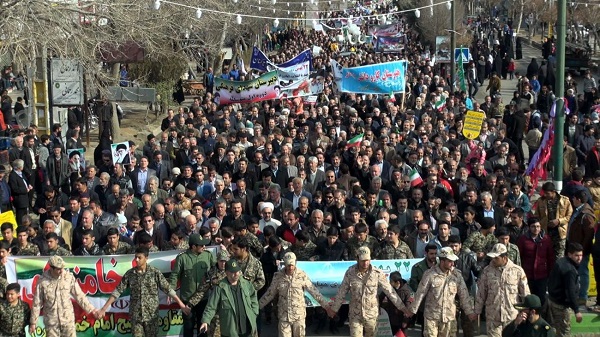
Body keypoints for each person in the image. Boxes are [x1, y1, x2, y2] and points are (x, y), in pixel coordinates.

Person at [97, 247, 190, 337]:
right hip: (136, 315)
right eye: (135, 257)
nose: (136, 260)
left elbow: (168, 289)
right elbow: (117, 291)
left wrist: (181, 304)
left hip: (151, 315)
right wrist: (104, 309)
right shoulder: (130, 274)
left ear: (146, 258)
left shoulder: (154, 272)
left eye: (139, 257)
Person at [328, 247, 409, 337]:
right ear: (357, 259)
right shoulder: (350, 272)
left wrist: (403, 308)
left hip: (371, 315)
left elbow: (390, 291)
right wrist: (334, 309)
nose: (365, 263)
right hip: (355, 315)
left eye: (367, 260)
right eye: (363, 260)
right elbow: (341, 292)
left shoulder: (377, 273)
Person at [259, 252, 334, 337]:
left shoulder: (302, 275)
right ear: (284, 263)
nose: (290, 267)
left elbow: (314, 291)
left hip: (298, 316)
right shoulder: (278, 276)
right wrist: (257, 307)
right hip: (284, 316)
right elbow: (269, 294)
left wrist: (327, 307)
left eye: (292, 265)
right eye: (288, 265)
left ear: (295, 263)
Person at [407, 247, 476, 336]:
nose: (453, 264)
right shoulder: (429, 274)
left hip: (449, 317)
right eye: (450, 261)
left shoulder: (456, 275)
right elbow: (420, 293)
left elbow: (464, 294)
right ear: (442, 261)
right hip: (432, 317)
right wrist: (412, 310)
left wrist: (469, 312)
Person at [30, 256, 98, 337]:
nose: (61, 271)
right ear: (51, 268)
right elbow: (37, 303)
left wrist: (92, 309)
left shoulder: (68, 277)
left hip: (67, 321)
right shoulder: (42, 280)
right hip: (51, 323)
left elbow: (79, 296)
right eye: (58, 269)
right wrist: (33, 322)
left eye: (62, 268)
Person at [474, 243, 530, 337]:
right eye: (493, 257)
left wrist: (525, 312)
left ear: (504, 257)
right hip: (493, 316)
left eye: (496, 258)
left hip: (511, 317)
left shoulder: (517, 271)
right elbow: (481, 293)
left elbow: (525, 293)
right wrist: (477, 312)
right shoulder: (487, 271)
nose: (493, 260)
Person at [199, 258, 259, 337]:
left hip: (248, 327)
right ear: (227, 273)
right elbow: (211, 306)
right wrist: (205, 321)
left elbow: (253, 297)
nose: (236, 274)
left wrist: (254, 312)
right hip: (230, 329)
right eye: (233, 272)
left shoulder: (246, 283)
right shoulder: (220, 287)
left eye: (237, 271)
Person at [170, 234, 215, 337]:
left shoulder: (208, 255)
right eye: (201, 245)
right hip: (187, 299)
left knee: (203, 326)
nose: (204, 247)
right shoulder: (182, 258)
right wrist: (171, 290)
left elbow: (215, 271)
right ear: (193, 247)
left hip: (203, 298)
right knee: (188, 327)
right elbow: (174, 275)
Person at [546, 243, 584, 337]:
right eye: (576, 255)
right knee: (564, 332)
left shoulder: (561, 261)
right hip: (561, 306)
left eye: (581, 255)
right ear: (570, 254)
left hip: (552, 300)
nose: (579, 258)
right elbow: (570, 291)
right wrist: (577, 310)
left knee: (554, 330)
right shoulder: (570, 270)